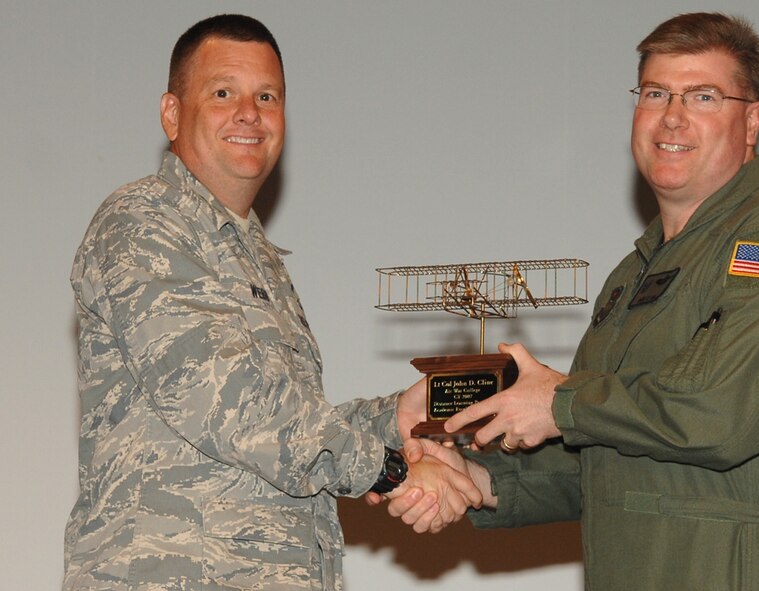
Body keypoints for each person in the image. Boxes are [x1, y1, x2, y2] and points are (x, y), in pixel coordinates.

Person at [382, 12, 759, 591]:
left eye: (703, 96)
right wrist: (480, 479)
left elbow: (721, 415)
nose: (673, 116)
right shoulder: (630, 278)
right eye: (656, 93)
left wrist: (560, 401)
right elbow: (606, 461)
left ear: (751, 122)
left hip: (743, 571)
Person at [63, 14, 480, 591]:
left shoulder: (257, 256)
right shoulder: (143, 223)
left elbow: (291, 415)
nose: (249, 113)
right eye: (222, 92)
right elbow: (232, 403)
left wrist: (401, 416)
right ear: (172, 114)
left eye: (267, 96)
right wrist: (394, 470)